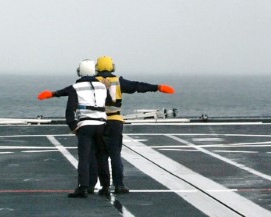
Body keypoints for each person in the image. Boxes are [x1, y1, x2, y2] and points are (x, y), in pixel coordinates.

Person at [39, 56, 175, 196]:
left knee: (97, 156)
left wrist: (53, 95)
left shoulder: (92, 82)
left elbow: (67, 93)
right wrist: (158, 87)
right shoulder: (118, 82)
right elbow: (138, 86)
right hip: (114, 121)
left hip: (98, 121)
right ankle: (119, 185)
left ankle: (93, 185)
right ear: (112, 67)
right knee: (115, 154)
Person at [41, 59, 108, 198]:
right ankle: (103, 185)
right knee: (100, 156)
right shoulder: (102, 86)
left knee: (84, 158)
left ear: (80, 71)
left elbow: (69, 108)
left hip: (85, 126)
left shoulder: (76, 87)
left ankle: (83, 187)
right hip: (102, 125)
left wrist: (73, 126)